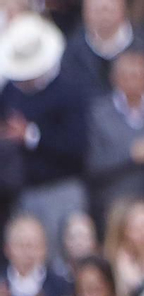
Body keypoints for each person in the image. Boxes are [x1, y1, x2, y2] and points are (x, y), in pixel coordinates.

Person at [0, 14, 91, 257]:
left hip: (61, 188)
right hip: (22, 190)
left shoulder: (69, 90)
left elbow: (77, 145)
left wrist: (31, 134)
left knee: (65, 256)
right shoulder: (10, 91)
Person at [85, 49, 144, 221]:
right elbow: (93, 164)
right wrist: (132, 154)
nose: (132, 80)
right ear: (114, 78)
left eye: (137, 75)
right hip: (114, 203)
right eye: (126, 75)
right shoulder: (98, 114)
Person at [62, 0, 144, 94]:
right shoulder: (73, 51)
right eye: (97, 10)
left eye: (108, 9)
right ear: (85, 12)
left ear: (123, 9)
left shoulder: (143, 47)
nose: (103, 16)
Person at [1, 213, 74, 296]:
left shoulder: (60, 286)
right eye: (21, 245)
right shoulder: (2, 282)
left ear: (45, 249)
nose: (28, 253)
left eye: (34, 245)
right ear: (7, 249)